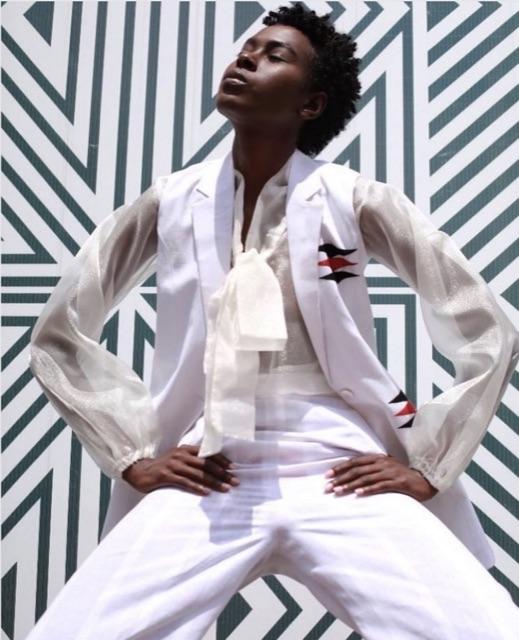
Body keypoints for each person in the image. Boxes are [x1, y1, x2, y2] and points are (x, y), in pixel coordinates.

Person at [26, 3, 519, 639]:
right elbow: (59, 331)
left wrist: (429, 465)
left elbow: (486, 325)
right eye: (247, 48)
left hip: (340, 464)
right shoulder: (171, 201)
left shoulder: (354, 199)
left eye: (273, 54)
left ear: (310, 104)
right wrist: (131, 456)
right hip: (209, 467)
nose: (246, 58)